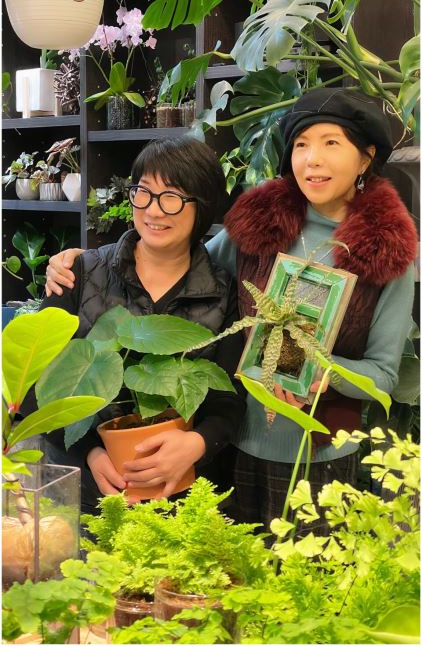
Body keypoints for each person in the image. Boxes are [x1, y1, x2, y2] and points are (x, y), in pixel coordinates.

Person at [45, 89, 417, 532]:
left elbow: (384, 374)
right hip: (231, 449)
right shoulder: (259, 223)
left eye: (331, 143)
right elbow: (179, 253)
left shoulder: (389, 253)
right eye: (301, 144)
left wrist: (323, 370)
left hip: (317, 453)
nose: (313, 159)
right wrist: (85, 262)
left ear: (365, 157)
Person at [35, 135, 246, 515]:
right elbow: (40, 384)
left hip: (183, 495)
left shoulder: (224, 292)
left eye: (172, 197)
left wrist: (196, 444)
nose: (153, 211)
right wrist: (91, 452)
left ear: (203, 206)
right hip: (86, 489)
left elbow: (228, 398)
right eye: (143, 192)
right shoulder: (78, 273)